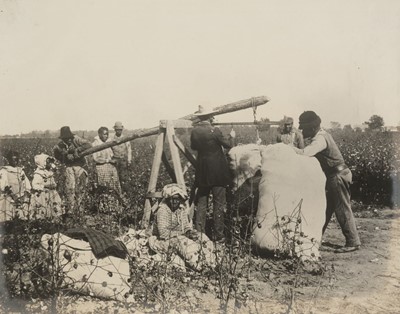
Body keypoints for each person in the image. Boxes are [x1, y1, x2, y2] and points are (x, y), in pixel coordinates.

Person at [293, 111, 361, 253]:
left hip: (337, 176)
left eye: (304, 129)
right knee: (326, 209)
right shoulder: (320, 135)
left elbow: (306, 153)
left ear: (312, 128)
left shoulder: (320, 139)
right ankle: (315, 238)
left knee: (341, 207)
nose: (302, 132)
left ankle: (353, 242)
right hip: (336, 175)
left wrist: (286, 149)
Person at [190, 105, 234, 242]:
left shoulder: (195, 131)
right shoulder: (214, 130)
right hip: (217, 173)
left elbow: (193, 147)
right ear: (210, 117)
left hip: (202, 172)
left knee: (202, 202)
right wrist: (232, 137)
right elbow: (228, 145)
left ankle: (199, 233)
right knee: (218, 203)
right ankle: (218, 235)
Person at [149, 183, 215, 270]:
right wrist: (183, 234)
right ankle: (199, 266)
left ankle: (211, 263)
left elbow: (186, 226)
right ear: (168, 199)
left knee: (203, 238)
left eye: (177, 199)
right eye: (173, 199)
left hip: (179, 236)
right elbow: (163, 233)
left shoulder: (181, 210)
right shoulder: (163, 210)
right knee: (185, 244)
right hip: (163, 240)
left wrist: (190, 232)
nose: (175, 201)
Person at [53, 126, 92, 214]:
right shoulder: (60, 145)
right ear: (63, 139)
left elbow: (89, 145)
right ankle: (71, 209)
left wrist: (77, 150)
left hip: (80, 166)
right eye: (66, 138)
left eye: (70, 138)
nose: (69, 140)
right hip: (69, 167)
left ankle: (80, 208)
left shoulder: (77, 139)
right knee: (70, 188)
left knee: (81, 187)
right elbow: (56, 154)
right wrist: (65, 155)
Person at [0, 150, 31, 222]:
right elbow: (4, 185)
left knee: (21, 214)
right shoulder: (4, 171)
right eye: (13, 160)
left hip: (20, 195)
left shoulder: (20, 171)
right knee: (8, 213)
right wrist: (12, 195)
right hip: (9, 196)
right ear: (9, 160)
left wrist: (25, 193)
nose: (15, 162)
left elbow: (26, 183)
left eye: (17, 159)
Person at [30, 153, 62, 219]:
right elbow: (35, 185)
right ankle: (42, 220)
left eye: (50, 162)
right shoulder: (38, 173)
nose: (50, 164)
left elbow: (53, 182)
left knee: (53, 206)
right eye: (47, 162)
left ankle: (53, 219)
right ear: (43, 163)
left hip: (52, 193)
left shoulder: (50, 172)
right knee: (43, 208)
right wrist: (45, 186)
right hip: (43, 194)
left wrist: (54, 184)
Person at [92, 127, 121, 195]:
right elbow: (96, 158)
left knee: (114, 185)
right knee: (104, 187)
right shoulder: (96, 144)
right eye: (104, 134)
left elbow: (115, 153)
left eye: (107, 134)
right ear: (99, 134)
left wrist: (114, 159)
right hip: (101, 168)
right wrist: (108, 160)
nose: (106, 136)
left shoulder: (109, 142)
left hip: (111, 167)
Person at [110, 121, 132, 194]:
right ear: (115, 130)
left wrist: (129, 160)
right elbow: (109, 149)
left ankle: (125, 192)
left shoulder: (125, 138)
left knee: (123, 177)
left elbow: (129, 149)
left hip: (123, 160)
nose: (119, 131)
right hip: (115, 160)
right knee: (115, 177)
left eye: (120, 129)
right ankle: (117, 192)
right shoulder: (112, 138)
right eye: (117, 130)